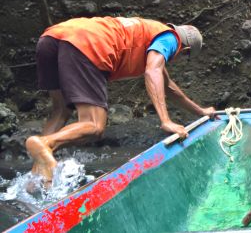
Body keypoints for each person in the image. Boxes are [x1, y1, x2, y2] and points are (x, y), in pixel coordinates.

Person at [25, 16, 216, 184]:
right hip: (86, 43)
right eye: (185, 56)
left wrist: (201, 112)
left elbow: (169, 87)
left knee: (61, 111)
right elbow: (152, 71)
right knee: (94, 125)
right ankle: (45, 143)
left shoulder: (150, 34)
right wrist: (166, 121)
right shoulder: (170, 39)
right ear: (185, 49)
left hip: (53, 38)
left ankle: (37, 176)